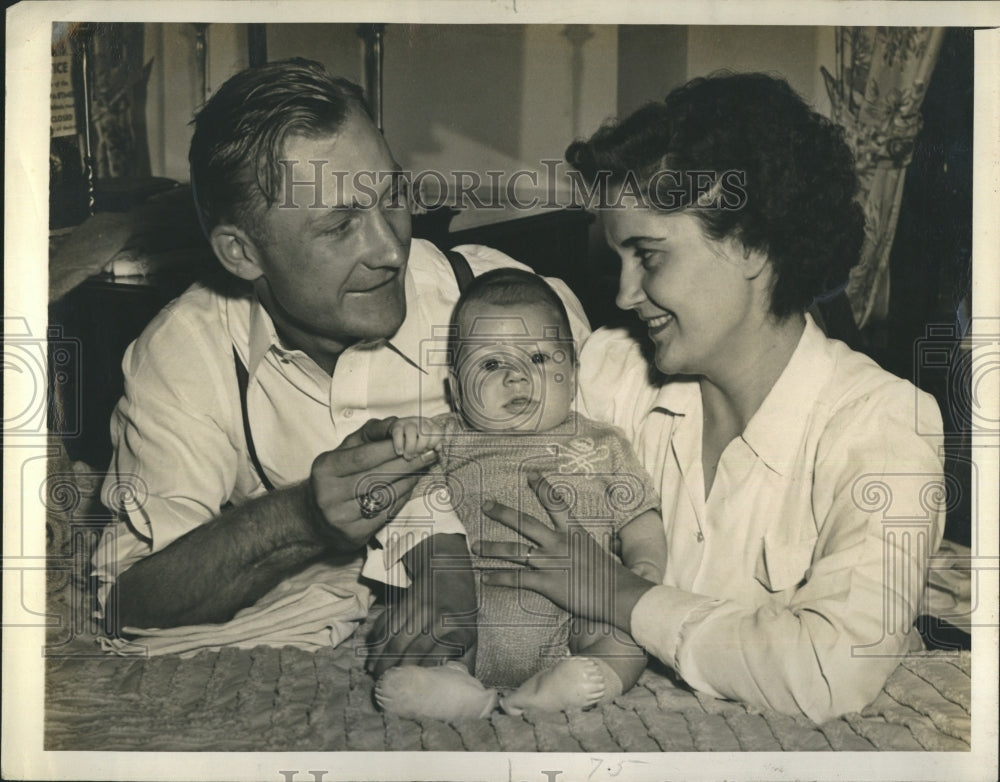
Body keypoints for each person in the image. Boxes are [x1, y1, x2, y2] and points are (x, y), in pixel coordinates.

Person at [476, 72, 946, 724]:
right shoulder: (613, 371)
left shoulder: (885, 423)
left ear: (751, 245)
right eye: (619, 259)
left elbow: (828, 669)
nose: (623, 294)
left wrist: (620, 593)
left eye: (649, 255)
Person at [92, 59, 589, 672]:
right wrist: (301, 518)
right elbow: (131, 603)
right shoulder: (184, 351)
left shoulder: (503, 301)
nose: (389, 249)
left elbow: (625, 493)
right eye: (339, 226)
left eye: (392, 196)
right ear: (242, 254)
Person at [365, 269, 666, 719]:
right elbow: (408, 498)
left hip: (578, 612)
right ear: (455, 390)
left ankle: (586, 678)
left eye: (540, 359)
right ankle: (454, 684)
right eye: (490, 364)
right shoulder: (448, 439)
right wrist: (404, 438)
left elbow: (639, 514)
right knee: (436, 630)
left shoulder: (602, 444)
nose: (517, 377)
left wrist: (645, 566)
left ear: (573, 373)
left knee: (628, 636)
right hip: (476, 603)